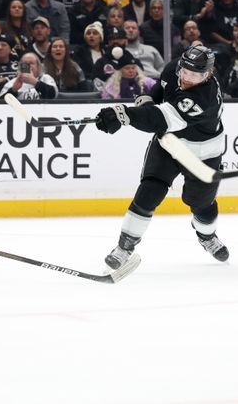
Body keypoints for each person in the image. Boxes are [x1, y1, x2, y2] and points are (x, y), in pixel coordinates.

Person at [95, 45, 229, 269]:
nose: (187, 78)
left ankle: (207, 236)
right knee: (149, 191)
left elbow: (160, 118)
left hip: (202, 155)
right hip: (169, 145)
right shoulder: (173, 70)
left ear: (208, 74)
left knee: (201, 206)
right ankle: (124, 247)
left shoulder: (203, 99)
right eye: (185, 71)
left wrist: (123, 115)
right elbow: (161, 90)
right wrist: (147, 98)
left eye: (195, 75)